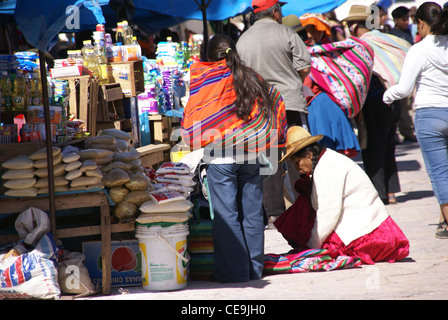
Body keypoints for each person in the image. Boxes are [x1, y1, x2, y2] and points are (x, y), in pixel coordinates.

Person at [181, 34, 287, 282]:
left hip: (221, 157)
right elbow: (276, 99)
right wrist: (270, 137)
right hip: (253, 154)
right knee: (252, 214)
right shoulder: (251, 76)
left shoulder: (205, 78)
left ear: (208, 56)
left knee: (227, 216)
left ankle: (233, 273)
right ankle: (253, 269)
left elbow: (193, 119)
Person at [274, 126, 410, 264]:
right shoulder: (324, 161)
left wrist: (311, 247)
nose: (297, 168)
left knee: (330, 250)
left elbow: (328, 213)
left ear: (309, 155)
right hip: (364, 223)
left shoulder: (328, 167)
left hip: (370, 233)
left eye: (298, 163)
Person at [236, 0, 311, 225]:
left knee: (268, 159)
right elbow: (304, 67)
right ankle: (303, 207)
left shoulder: (243, 40)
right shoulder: (286, 33)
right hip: (289, 104)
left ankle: (274, 212)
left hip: (261, 109)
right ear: (276, 12)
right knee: (298, 156)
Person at [383, 2, 448, 239]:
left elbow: (404, 88)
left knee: (440, 173)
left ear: (420, 23)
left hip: (430, 115)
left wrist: (386, 95)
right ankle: (444, 222)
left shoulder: (418, 50)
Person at [342, 5, 408, 205]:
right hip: (392, 100)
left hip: (373, 102)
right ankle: (391, 192)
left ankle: (379, 193)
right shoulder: (384, 39)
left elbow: (361, 80)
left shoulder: (361, 45)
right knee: (388, 145)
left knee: (373, 148)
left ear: (354, 26)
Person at [297, 13, 363, 158]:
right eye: (306, 30)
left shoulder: (330, 50)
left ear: (322, 30)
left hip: (324, 107)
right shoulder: (307, 50)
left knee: (325, 155)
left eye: (313, 29)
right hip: (318, 107)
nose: (309, 34)